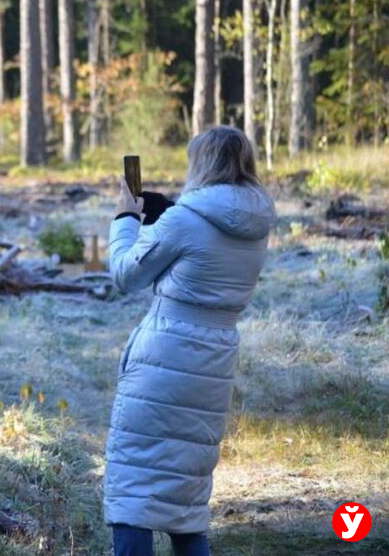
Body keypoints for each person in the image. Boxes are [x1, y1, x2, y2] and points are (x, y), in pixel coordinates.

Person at [105, 126, 276, 556]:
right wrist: (169, 211)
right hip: (215, 362)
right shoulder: (256, 224)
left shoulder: (185, 219)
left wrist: (126, 218)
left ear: (203, 163)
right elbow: (205, 242)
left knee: (134, 492)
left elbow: (128, 274)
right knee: (187, 499)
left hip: (165, 358)